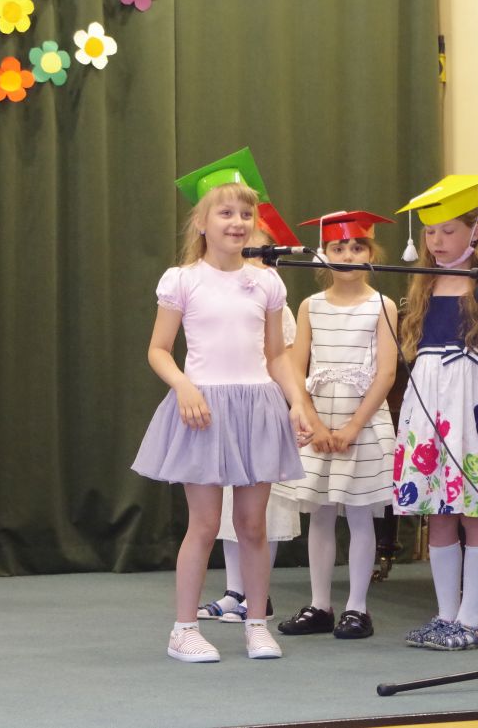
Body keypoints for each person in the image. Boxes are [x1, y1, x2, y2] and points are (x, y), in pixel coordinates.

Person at [132, 148, 314, 662]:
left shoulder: (268, 282)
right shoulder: (182, 279)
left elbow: (276, 356)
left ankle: (256, 623)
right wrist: (184, 386)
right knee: (206, 525)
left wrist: (297, 403)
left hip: (257, 409)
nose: (238, 222)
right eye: (226, 212)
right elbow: (158, 349)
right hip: (204, 410)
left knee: (254, 525)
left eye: (245, 213)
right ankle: (184, 630)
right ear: (202, 222)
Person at [393, 176, 478, 650]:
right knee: (438, 512)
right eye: (430, 232)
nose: (436, 241)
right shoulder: (425, 283)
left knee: (473, 510)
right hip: (429, 405)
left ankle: (471, 619)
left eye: (448, 230)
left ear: (476, 231)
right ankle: (445, 614)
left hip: (471, 407)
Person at [272, 211, 399, 640]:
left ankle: (357, 608)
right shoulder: (311, 306)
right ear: (323, 255)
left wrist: (352, 427)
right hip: (319, 420)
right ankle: (320, 604)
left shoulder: (382, 305)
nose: (347, 255)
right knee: (321, 514)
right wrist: (314, 421)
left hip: (361, 421)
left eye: (357, 247)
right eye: (338, 247)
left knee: (360, 515)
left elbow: (386, 373)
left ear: (370, 253)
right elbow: (296, 366)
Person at [198, 202, 301, 623]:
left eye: (259, 252)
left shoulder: (274, 301)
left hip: (262, 415)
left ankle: (259, 597)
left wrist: (294, 407)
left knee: (261, 514)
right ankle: (233, 590)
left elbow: (284, 359)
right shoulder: (210, 291)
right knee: (226, 510)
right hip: (227, 413)